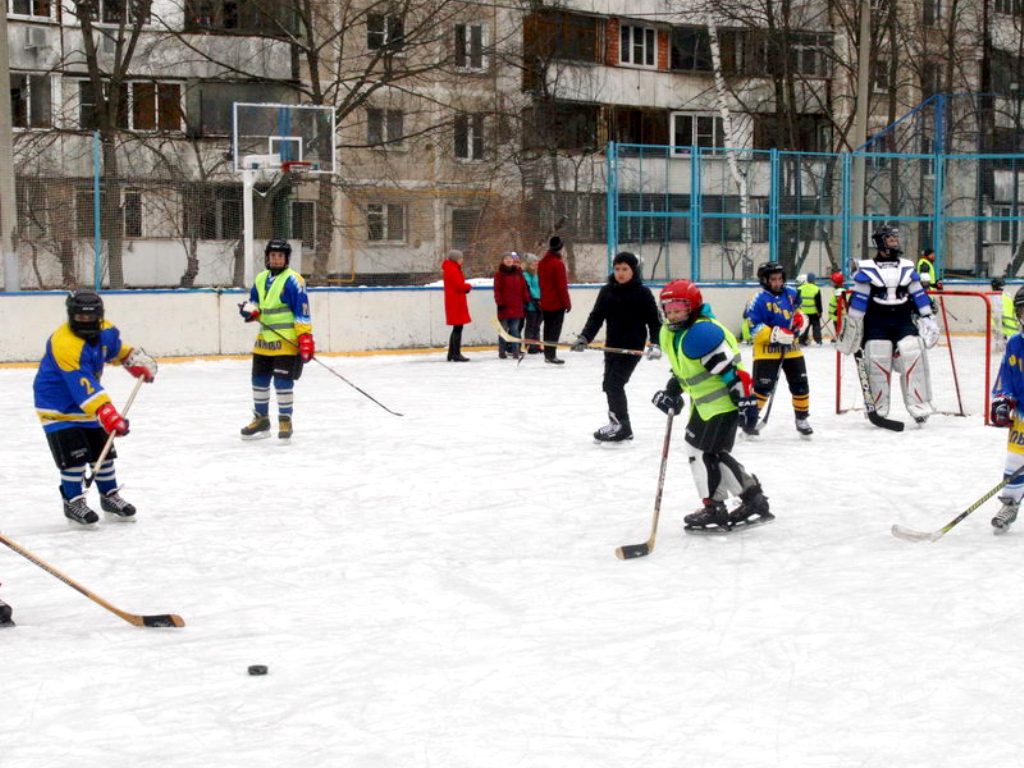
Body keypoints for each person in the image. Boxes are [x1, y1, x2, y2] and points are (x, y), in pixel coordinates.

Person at [650, 280, 773, 533]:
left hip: (722, 404)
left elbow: (730, 374)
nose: (672, 314)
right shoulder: (670, 333)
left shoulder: (701, 334)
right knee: (710, 453)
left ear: (692, 308)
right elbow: (684, 369)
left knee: (701, 453)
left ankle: (714, 506)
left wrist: (745, 403)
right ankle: (751, 498)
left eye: (679, 309)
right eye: (668, 309)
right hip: (705, 405)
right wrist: (673, 389)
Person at [33, 289, 158, 526]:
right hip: (57, 406)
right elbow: (83, 385)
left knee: (104, 453)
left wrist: (131, 360)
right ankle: (73, 501)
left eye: (92, 318)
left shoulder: (106, 331)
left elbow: (115, 349)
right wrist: (107, 413)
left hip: (88, 407)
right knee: (75, 458)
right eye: (81, 318)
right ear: (72, 316)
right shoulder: (64, 343)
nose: (87, 323)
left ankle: (109, 496)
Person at [837, 225, 940, 424]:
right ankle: (878, 406)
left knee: (913, 352)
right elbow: (859, 300)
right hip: (877, 320)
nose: (894, 241)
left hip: (902, 318)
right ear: (880, 242)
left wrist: (927, 316)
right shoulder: (866, 267)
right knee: (877, 354)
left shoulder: (907, 265)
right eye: (890, 238)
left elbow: (918, 293)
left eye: (895, 237)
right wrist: (852, 328)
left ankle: (919, 403)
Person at [571, 251, 661, 442]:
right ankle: (618, 423)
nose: (620, 273)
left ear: (633, 270)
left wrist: (655, 343)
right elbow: (596, 317)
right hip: (611, 346)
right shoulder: (607, 291)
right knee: (608, 385)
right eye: (617, 268)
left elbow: (655, 322)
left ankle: (622, 427)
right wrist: (585, 337)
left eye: (625, 269)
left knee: (614, 384)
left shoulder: (642, 293)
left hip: (632, 348)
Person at [237, 239, 314, 440]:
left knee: (282, 382)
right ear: (267, 258)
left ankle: (285, 420)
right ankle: (261, 420)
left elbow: (302, 310)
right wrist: (249, 311)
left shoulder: (294, 280)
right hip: (264, 342)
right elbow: (255, 304)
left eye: (280, 256)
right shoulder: (261, 278)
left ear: (286, 258)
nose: (276, 259)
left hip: (287, 342)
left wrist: (305, 337)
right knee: (259, 380)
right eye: (273, 256)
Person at [746, 262, 813, 436]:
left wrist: (801, 322)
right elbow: (753, 326)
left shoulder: (791, 293)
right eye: (773, 279)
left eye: (780, 279)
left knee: (800, 384)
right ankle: (750, 419)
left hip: (792, 348)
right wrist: (774, 334)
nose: (778, 282)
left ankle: (802, 418)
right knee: (762, 388)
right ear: (765, 280)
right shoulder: (758, 299)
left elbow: (798, 313)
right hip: (766, 350)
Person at [538, 236, 571, 365]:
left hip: (545, 301)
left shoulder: (542, 262)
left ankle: (548, 354)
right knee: (554, 329)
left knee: (547, 328)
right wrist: (567, 303)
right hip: (557, 303)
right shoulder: (558, 264)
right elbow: (561, 286)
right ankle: (551, 355)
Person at [493, 252, 530, 359]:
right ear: (502, 261)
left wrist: (526, 300)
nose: (508, 260)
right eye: (506, 259)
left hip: (517, 306)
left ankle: (515, 352)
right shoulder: (499, 274)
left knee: (515, 330)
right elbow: (497, 290)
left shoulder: (519, 273)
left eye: (510, 258)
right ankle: (502, 351)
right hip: (504, 306)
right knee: (503, 330)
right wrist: (499, 303)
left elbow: (524, 288)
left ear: (513, 260)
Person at [441, 249, 472, 362]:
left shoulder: (450, 269)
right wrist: (468, 286)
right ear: (456, 259)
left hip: (454, 301)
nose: (462, 260)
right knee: (458, 327)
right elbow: (459, 286)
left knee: (457, 327)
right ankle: (456, 354)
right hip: (456, 302)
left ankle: (451, 353)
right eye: (461, 258)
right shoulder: (453, 270)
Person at [522, 254, 543, 354]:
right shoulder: (526, 274)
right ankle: (530, 345)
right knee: (531, 325)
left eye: (536, 262)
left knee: (537, 326)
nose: (535, 264)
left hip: (539, 303)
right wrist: (536, 297)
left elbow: (541, 287)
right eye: (532, 262)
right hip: (532, 304)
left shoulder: (537, 274)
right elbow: (529, 288)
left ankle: (536, 344)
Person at [990, 276, 1016, 354]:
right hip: (1012, 324)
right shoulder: (1007, 295)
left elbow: (997, 312)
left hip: (1003, 324)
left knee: (1002, 345)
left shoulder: (996, 297)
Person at [797, 272, 823, 346]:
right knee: (816, 327)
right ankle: (818, 341)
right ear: (814, 280)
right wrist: (820, 312)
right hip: (814, 312)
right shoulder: (816, 289)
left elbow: (797, 301)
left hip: (803, 312)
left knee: (805, 326)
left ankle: (802, 341)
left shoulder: (800, 288)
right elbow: (818, 302)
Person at [826, 271, 847, 342]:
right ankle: (838, 337)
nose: (832, 283)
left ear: (837, 282)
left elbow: (841, 303)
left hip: (838, 315)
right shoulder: (838, 290)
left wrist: (836, 311)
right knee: (838, 327)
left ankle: (840, 339)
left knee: (839, 327)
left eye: (833, 281)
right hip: (836, 316)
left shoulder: (839, 291)